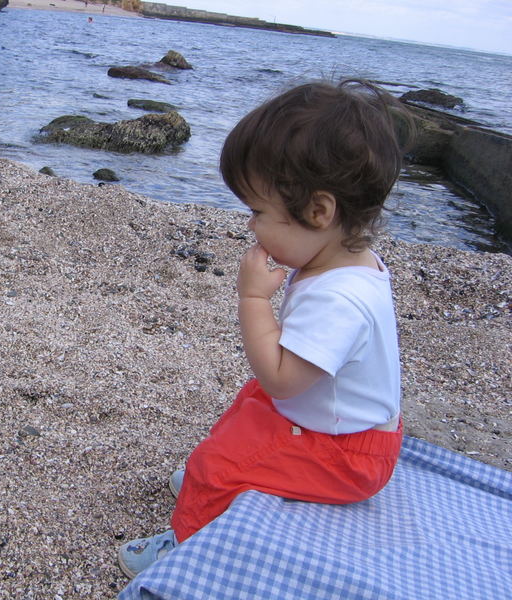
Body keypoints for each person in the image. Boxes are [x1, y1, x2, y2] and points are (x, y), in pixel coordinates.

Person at [118, 79, 413, 579]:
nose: (251, 226)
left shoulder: (338, 299)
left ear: (319, 212)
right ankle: (214, 486)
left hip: (345, 454)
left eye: (258, 212)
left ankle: (187, 551)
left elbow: (281, 377)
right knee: (249, 404)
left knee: (220, 464)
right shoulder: (344, 261)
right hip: (345, 426)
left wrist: (253, 298)